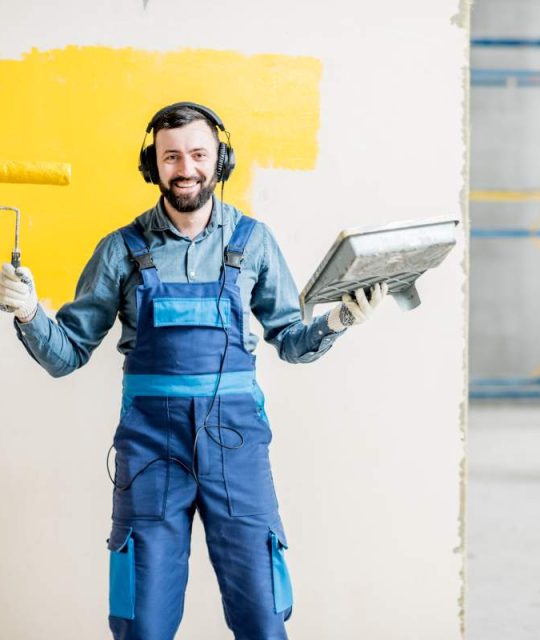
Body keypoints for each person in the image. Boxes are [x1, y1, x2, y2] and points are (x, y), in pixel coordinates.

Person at [0, 102, 388, 640]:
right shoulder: (120, 250)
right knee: (144, 619)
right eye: (172, 156)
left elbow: (292, 343)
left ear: (220, 160)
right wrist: (28, 313)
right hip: (151, 450)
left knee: (263, 613)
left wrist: (339, 319)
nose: (186, 168)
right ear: (152, 165)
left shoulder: (252, 243)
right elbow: (65, 356)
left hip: (237, 445)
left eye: (199, 154)